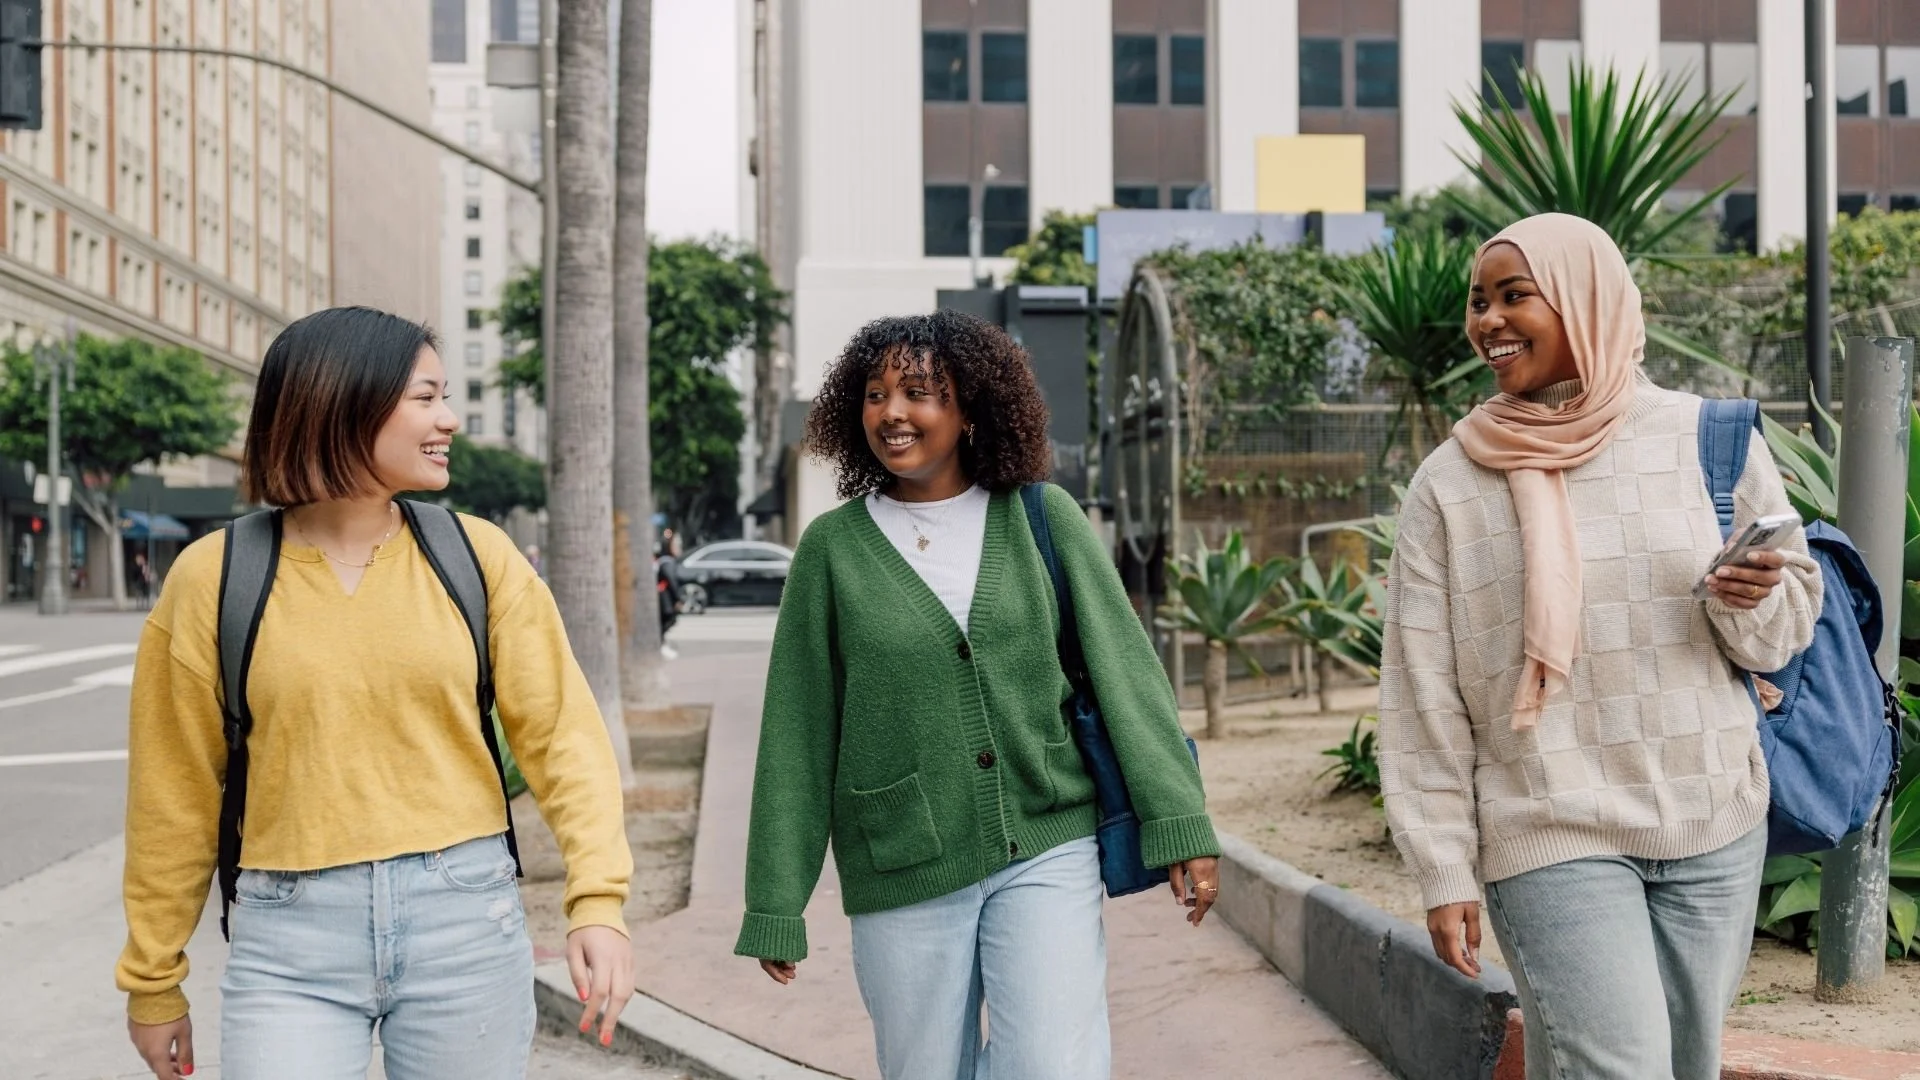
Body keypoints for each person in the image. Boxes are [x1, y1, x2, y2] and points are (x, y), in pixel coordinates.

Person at [117, 307, 636, 1080]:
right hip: (287, 940)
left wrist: (598, 901)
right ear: (343, 402)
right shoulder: (213, 578)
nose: (450, 420)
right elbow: (173, 794)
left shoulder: (478, 556)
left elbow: (565, 740)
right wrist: (154, 982)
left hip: (464, 919)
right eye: (426, 398)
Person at [1378, 214, 1822, 1080]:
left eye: (1515, 296)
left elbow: (1784, 627)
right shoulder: (1451, 481)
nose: (1489, 321)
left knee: (1684, 1065)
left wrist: (1750, 598)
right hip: (1549, 827)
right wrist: (1442, 864)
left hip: (1710, 815)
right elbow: (1420, 689)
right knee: (1616, 1067)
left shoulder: (1708, 436)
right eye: (1479, 302)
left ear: (1588, 298)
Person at [734, 310, 1220, 1080]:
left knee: (1054, 1067)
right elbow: (798, 731)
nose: (892, 412)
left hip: (1046, 838)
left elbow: (1127, 672)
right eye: (874, 393)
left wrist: (1180, 820)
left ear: (969, 410)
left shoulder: (1040, 517)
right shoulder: (831, 551)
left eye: (920, 392)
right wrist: (775, 902)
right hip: (903, 858)